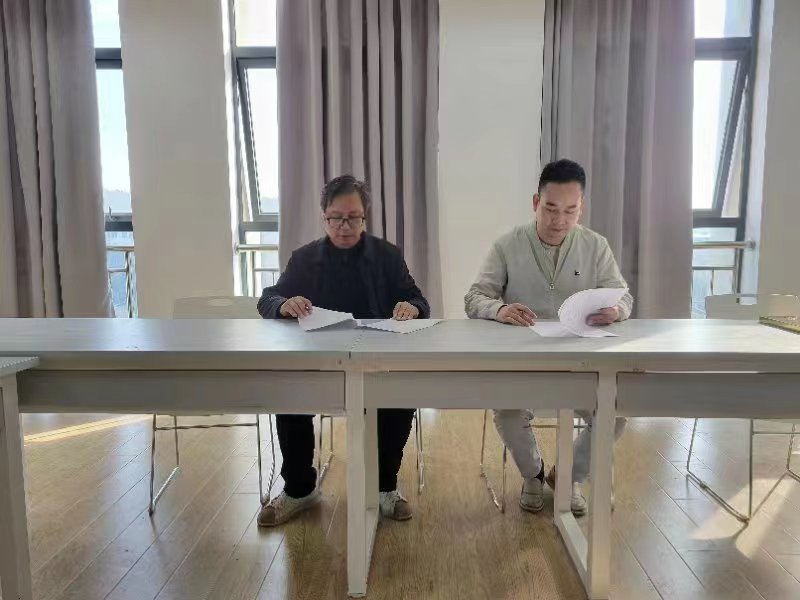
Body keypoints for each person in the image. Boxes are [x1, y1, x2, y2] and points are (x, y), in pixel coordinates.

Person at [256, 174, 429, 527]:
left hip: (376, 362)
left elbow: (418, 299)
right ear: (324, 217)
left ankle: (384, 488)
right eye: (336, 218)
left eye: (353, 217)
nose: (344, 226)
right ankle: (300, 490)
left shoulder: (387, 256)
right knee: (288, 393)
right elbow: (267, 298)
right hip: (319, 364)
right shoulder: (304, 259)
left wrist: (412, 307)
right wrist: (284, 304)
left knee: (401, 397)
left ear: (365, 218)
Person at [464, 159, 632, 516]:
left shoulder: (595, 245)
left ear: (581, 207)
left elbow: (624, 298)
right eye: (551, 209)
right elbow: (474, 297)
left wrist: (615, 310)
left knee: (615, 414)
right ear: (535, 203)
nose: (560, 220)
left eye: (571, 211)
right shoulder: (508, 244)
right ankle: (534, 475)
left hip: (581, 362)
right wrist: (499, 309)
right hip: (522, 359)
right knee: (507, 411)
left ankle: (567, 477)